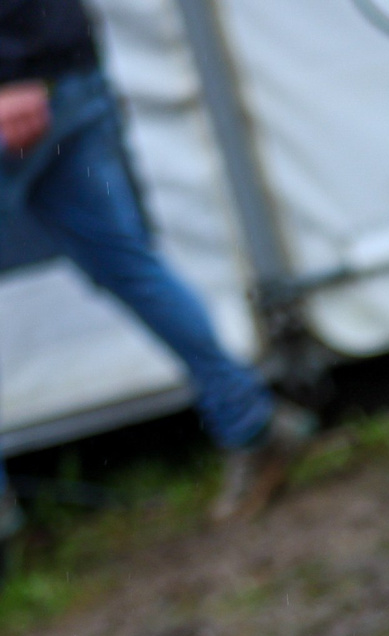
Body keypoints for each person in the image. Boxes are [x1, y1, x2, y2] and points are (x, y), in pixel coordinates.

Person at [0, 0, 308, 542]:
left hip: (31, 82)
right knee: (125, 265)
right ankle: (251, 423)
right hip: (59, 73)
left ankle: (250, 421)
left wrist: (15, 70)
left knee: (126, 265)